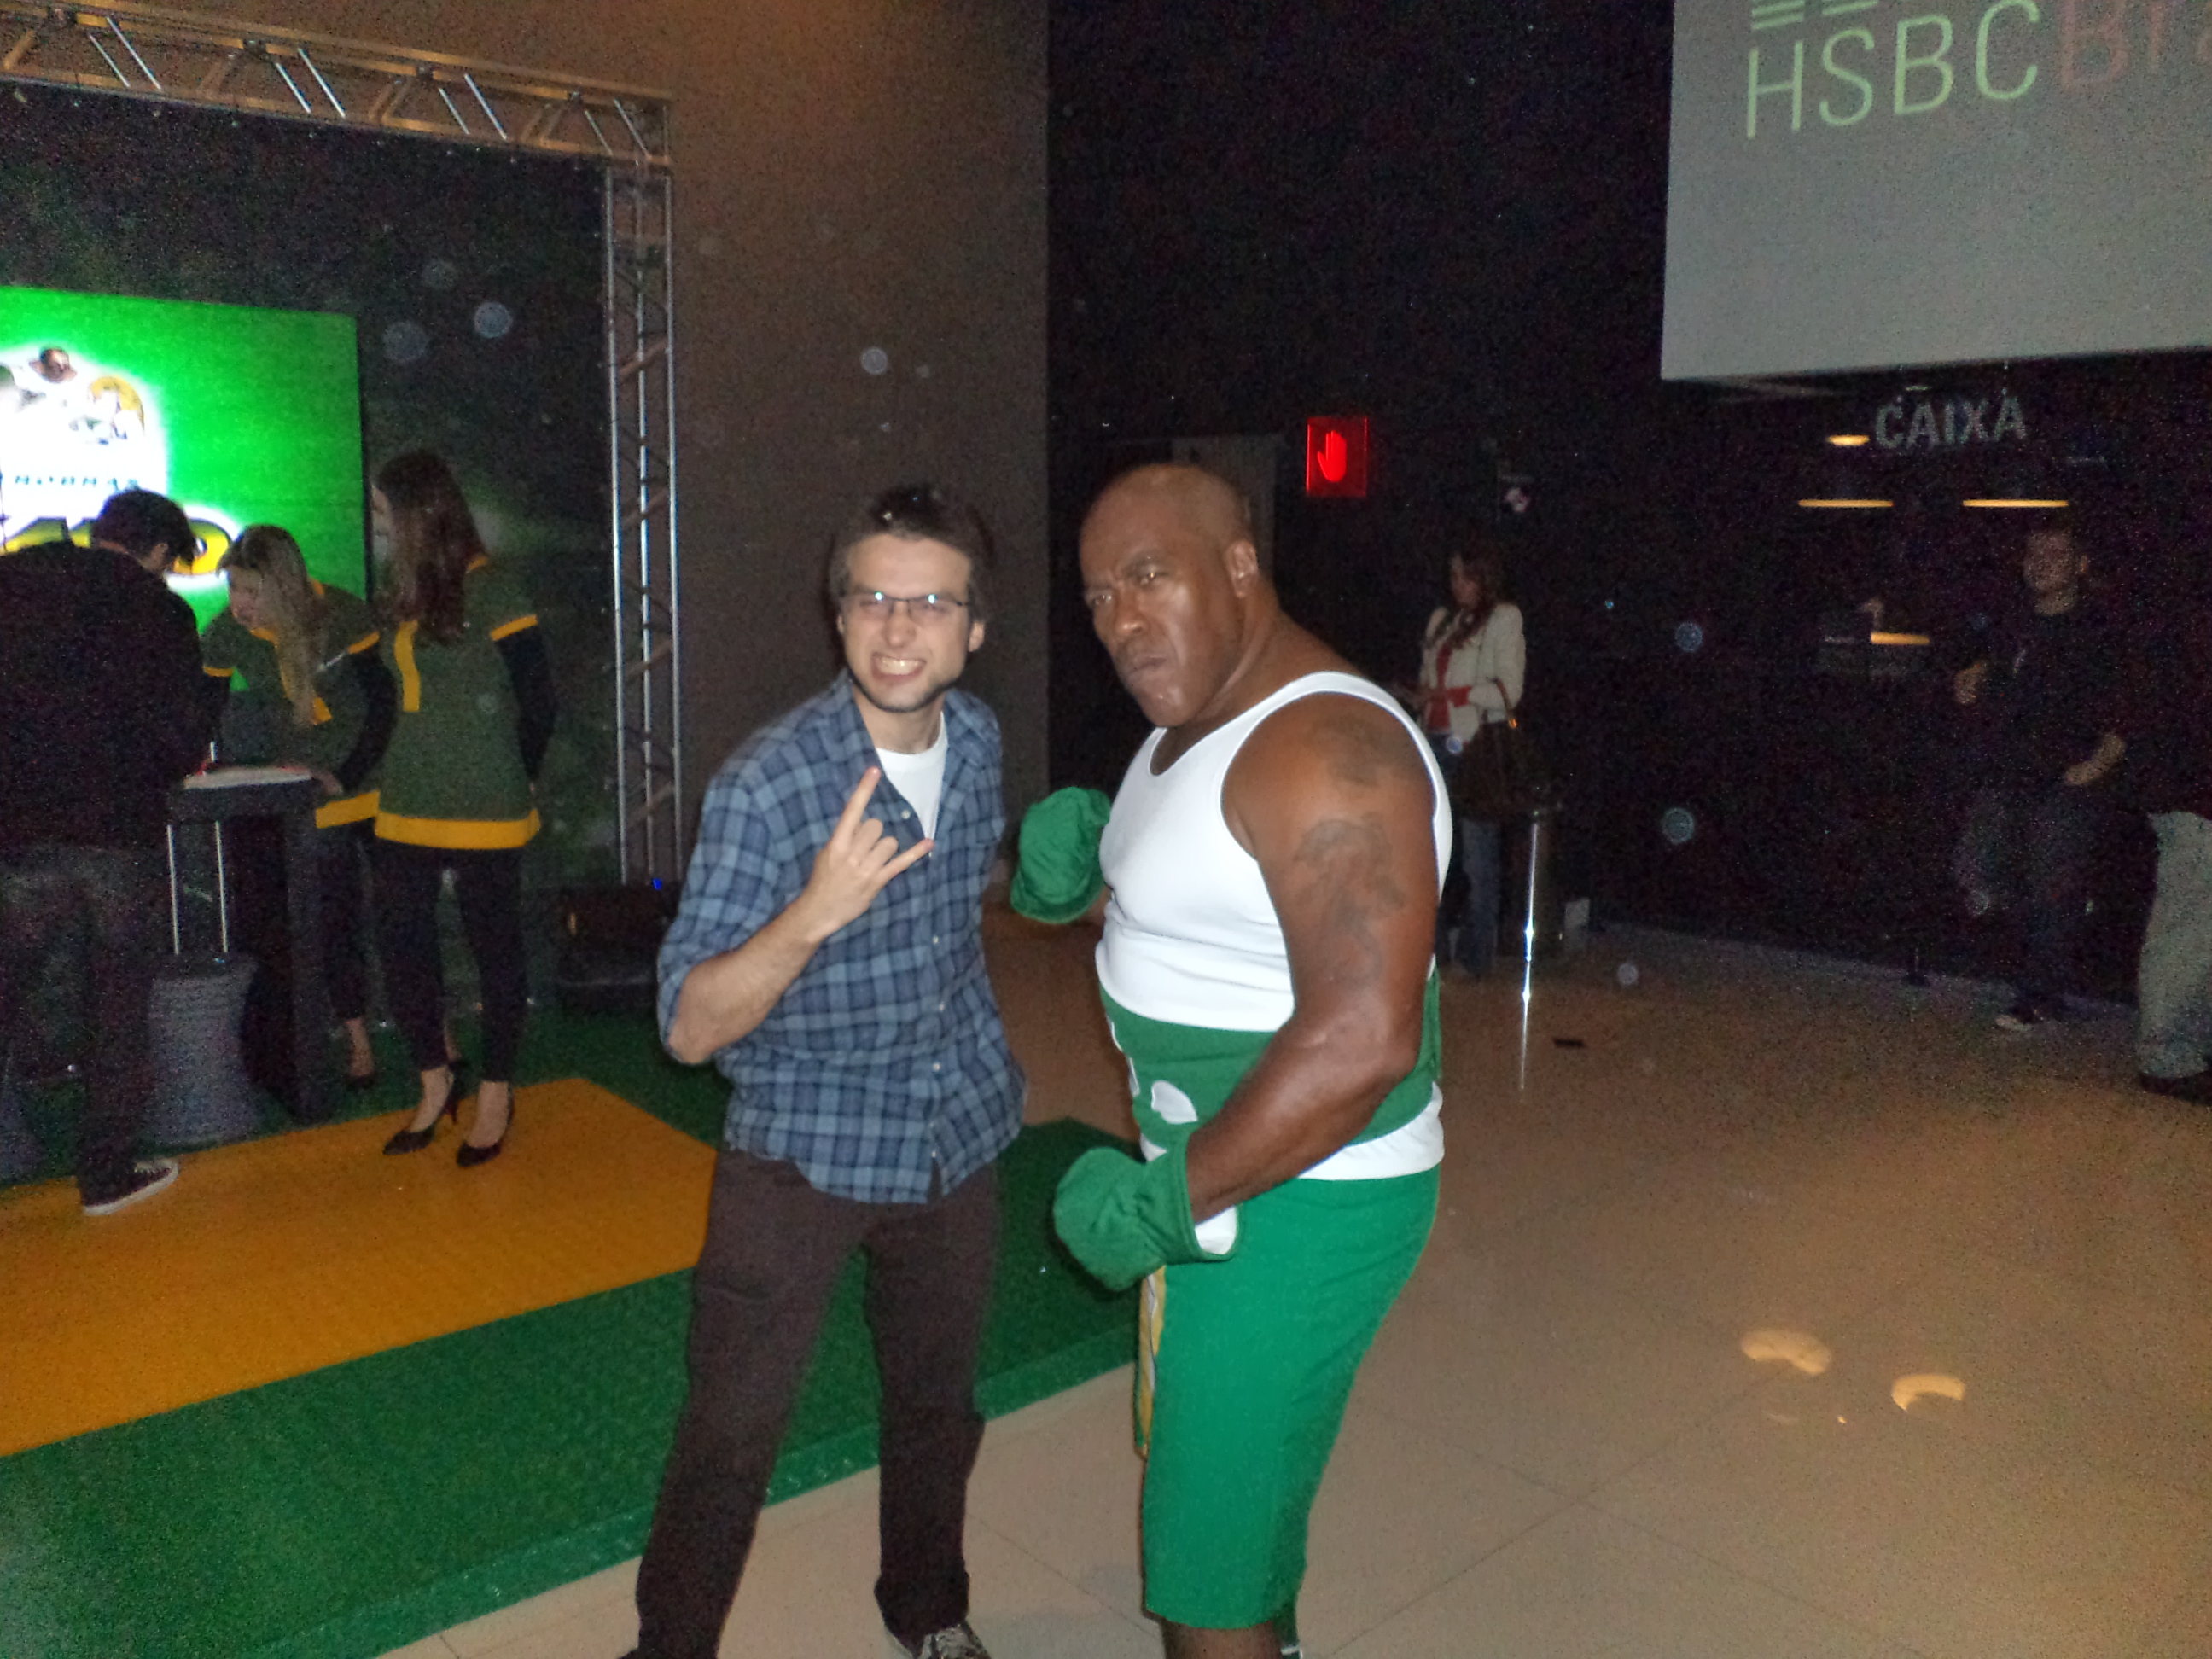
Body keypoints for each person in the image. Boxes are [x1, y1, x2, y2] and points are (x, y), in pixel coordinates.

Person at [1030, 463, 1449, 1659]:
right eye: (1098, 595)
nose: (1119, 620)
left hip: (1293, 1197)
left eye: (1147, 576)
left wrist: (1169, 1202)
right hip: (1228, 1184)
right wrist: (1089, 880)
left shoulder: (1325, 750)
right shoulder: (1199, 716)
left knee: (1205, 1556)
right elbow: (1220, 915)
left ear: (1240, 564)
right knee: (1236, 1494)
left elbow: (1365, 1037)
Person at [625, 483, 1022, 1659]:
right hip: (802, 1150)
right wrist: (813, 912)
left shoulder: (980, 742)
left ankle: (928, 1610)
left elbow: (961, 913)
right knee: (729, 1438)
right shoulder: (770, 784)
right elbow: (687, 1028)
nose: (899, 628)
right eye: (873, 600)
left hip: (955, 1132)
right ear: (837, 614)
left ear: (975, 629)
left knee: (938, 1408)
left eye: (932, 603)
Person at [0, 489, 212, 1214]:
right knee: (118, 1006)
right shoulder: (162, 613)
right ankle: (106, 1176)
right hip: (117, 834)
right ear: (158, 550)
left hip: (20, 827)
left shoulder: (16, 578)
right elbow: (182, 738)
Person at [368, 452, 554, 1165]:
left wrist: (521, 774)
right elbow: (393, 702)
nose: (379, 525)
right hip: (406, 797)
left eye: (384, 511)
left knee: (494, 947)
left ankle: (497, 1091)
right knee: (403, 945)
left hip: (485, 798)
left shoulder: (494, 586)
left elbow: (540, 698)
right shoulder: (403, 592)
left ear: (419, 513)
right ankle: (435, 1080)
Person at [201, 525, 397, 1095]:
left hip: (374, 781)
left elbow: (383, 701)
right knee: (335, 920)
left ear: (284, 586)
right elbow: (206, 708)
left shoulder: (342, 612)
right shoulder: (226, 633)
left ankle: (437, 1032)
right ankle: (358, 1041)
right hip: (311, 794)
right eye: (234, 588)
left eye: (252, 591)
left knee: (402, 913)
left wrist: (349, 774)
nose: (240, 603)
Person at [1951, 523, 2126, 1031]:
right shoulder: (2014, 622)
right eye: (2033, 552)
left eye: (2055, 552)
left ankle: (2038, 996)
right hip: (2008, 773)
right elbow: (1993, 670)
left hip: (2066, 781)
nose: (2042, 561)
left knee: (2049, 886)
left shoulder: (2099, 630)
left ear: (2081, 564)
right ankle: (2065, 926)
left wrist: (2096, 765)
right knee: (1975, 871)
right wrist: (1972, 677)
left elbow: (2130, 703)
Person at [1403, 540, 1525, 977]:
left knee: (1477, 859)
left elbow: (1509, 691)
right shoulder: (1443, 620)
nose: (1458, 585)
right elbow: (1429, 678)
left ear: (1484, 577)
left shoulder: (1503, 619)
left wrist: (1452, 695)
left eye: (1466, 576)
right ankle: (1433, 951)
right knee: (1431, 855)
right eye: (1453, 576)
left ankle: (1477, 956)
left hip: (1472, 748)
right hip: (1432, 743)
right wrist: (1422, 696)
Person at [2128, 607, 2212, 1103]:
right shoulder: (2186, 634)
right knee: (2188, 932)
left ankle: (2184, 1049)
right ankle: (2167, 1057)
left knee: (2196, 932)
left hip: (2187, 794)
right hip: (2194, 798)